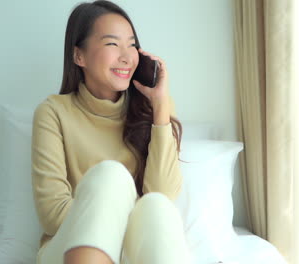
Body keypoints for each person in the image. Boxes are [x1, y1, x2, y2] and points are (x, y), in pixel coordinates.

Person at [31, 1, 190, 263]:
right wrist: (110, 221)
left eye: (131, 44)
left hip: (134, 253)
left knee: (157, 207)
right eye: (113, 44)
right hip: (67, 248)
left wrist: (160, 107)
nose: (127, 56)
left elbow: (162, 194)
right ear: (79, 56)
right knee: (111, 176)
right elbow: (52, 214)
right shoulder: (53, 112)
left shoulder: (153, 110)